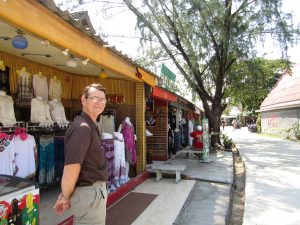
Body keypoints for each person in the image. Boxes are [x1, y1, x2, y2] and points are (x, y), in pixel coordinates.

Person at [53, 83, 108, 225]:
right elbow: (71, 169)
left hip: (92, 195)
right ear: (83, 100)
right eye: (95, 98)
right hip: (90, 195)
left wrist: (67, 194)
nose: (100, 102)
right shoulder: (83, 129)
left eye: (103, 99)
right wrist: (65, 197)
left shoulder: (89, 126)